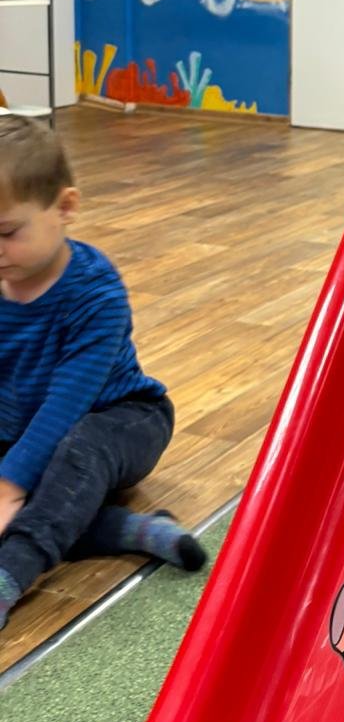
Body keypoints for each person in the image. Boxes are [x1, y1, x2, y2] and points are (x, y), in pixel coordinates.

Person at [0, 116, 205, 633]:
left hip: (121, 420)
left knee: (78, 446)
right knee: (52, 488)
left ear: (65, 208)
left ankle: (12, 570)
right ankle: (122, 531)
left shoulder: (97, 293)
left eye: (6, 232)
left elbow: (66, 404)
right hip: (24, 431)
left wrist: (9, 484)